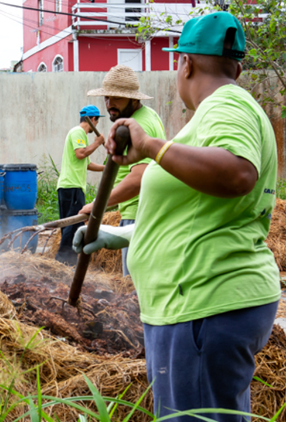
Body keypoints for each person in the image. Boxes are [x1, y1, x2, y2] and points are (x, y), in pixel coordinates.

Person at [73, 12, 280, 421]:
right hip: (198, 304)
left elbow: (238, 173)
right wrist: (124, 235)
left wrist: (152, 147)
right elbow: (199, 213)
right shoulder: (210, 116)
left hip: (203, 304)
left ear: (185, 64)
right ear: (236, 65)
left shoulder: (226, 105)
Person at [79, 65, 166, 276]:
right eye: (107, 98)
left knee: (133, 292)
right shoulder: (145, 116)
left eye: (117, 98)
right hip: (139, 213)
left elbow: (138, 179)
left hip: (139, 216)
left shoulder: (139, 124)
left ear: (134, 99)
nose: (110, 104)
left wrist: (96, 206)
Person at [55, 105, 105, 265]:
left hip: (69, 187)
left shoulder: (80, 136)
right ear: (92, 119)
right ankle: (63, 260)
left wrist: (108, 168)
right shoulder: (78, 132)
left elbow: (87, 163)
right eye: (97, 121)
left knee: (69, 224)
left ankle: (67, 261)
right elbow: (80, 154)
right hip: (72, 186)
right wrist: (97, 143)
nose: (96, 126)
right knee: (73, 223)